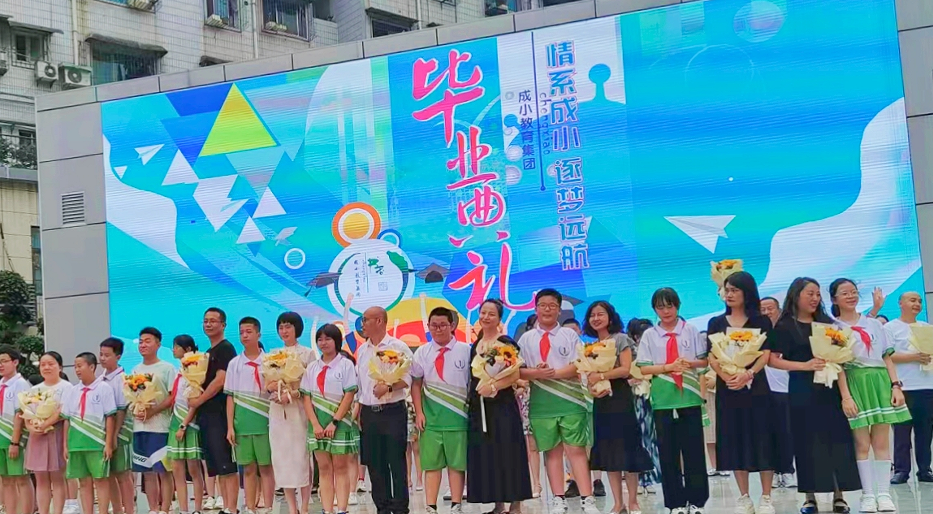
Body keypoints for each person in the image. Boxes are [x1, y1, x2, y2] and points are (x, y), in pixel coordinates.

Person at [768, 277, 860, 514]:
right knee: (806, 441)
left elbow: (839, 360)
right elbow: (773, 360)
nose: (815, 298)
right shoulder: (785, 325)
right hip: (802, 390)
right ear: (796, 295)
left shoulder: (827, 324)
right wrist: (804, 366)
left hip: (830, 389)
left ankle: (839, 495)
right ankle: (810, 497)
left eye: (818, 294)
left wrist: (846, 396)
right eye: (810, 293)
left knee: (837, 440)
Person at [830, 279, 910, 512]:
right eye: (845, 293)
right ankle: (867, 495)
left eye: (854, 292)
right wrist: (846, 396)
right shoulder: (833, 327)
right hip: (854, 382)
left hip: (880, 382)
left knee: (882, 442)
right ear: (834, 298)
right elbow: (838, 365)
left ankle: (884, 494)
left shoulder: (874, 324)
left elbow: (886, 357)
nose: (851, 296)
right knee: (862, 443)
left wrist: (895, 386)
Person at [517, 288, 599, 514]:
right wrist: (536, 373)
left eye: (552, 306)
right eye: (543, 305)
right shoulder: (526, 339)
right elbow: (518, 370)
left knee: (576, 450)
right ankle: (558, 498)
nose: (547, 310)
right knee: (551, 452)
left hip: (570, 400)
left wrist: (551, 373)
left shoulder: (569, 335)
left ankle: (587, 498)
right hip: (541, 404)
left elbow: (579, 364)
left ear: (559, 310)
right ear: (536, 308)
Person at [707, 272, 776, 514]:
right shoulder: (716, 322)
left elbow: (765, 354)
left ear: (747, 292)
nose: (729, 294)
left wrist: (748, 374)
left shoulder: (761, 321)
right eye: (727, 290)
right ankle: (744, 497)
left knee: (763, 437)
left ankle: (766, 497)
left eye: (735, 290)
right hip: (728, 389)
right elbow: (711, 356)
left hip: (756, 388)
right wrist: (726, 377)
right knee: (734, 438)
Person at [636, 288, 709, 514]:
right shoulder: (650, 335)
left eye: (670, 306)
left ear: (678, 306)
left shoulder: (690, 330)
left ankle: (697, 501)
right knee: (668, 453)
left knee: (694, 452)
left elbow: (704, 361)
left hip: (689, 397)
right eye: (660, 307)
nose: (666, 311)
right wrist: (668, 367)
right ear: (654, 310)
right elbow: (644, 367)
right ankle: (675, 502)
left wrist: (688, 364)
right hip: (663, 400)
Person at [583, 301, 653, 514]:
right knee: (609, 452)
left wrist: (601, 376)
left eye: (600, 314)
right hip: (602, 401)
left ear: (610, 317)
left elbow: (625, 369)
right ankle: (617, 503)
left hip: (621, 398)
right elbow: (588, 375)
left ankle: (633, 502)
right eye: (592, 315)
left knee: (628, 449)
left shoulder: (621, 339)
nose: (596, 318)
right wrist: (593, 387)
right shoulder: (591, 346)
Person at [467, 300, 532, 514]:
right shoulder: (476, 344)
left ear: (499, 318)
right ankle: (498, 504)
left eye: (491, 314)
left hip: (502, 406)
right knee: (489, 454)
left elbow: (515, 373)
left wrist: (494, 386)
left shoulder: (505, 342)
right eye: (483, 312)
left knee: (508, 451)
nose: (486, 317)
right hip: (481, 406)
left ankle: (515, 505)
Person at [410, 307, 471, 514]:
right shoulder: (422, 352)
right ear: (428, 326)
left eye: (443, 325)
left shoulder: (466, 350)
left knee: (457, 464)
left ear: (452, 325)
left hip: (458, 418)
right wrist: (419, 412)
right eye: (433, 325)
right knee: (432, 465)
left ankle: (456, 505)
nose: (438, 329)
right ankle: (431, 506)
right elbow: (416, 384)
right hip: (431, 419)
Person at [356, 306, 413, 514]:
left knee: (396, 462)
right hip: (369, 413)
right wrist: (359, 410)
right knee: (374, 463)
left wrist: (389, 387)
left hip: (393, 412)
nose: (362, 324)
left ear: (379, 321)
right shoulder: (362, 351)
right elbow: (361, 386)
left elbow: (408, 378)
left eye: (365, 320)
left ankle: (400, 508)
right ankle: (382, 507)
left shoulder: (397, 346)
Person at [302, 323, 359, 514]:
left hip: (339, 424)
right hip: (317, 425)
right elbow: (306, 397)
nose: (323, 343)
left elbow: (349, 394)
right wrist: (315, 424)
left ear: (337, 341)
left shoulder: (346, 365)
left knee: (340, 467)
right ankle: (327, 510)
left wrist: (335, 422)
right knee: (324, 468)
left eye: (328, 339)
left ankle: (341, 509)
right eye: (320, 339)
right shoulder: (312, 368)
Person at [225, 317, 275, 514]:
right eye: (241, 332)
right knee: (248, 468)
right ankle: (250, 507)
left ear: (258, 334)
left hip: (266, 422)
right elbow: (230, 397)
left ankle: (269, 506)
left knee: (266, 467)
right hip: (242, 424)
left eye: (249, 332)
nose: (244, 336)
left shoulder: (270, 361)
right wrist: (230, 426)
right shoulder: (234, 364)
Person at [190, 307, 238, 514]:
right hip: (206, 414)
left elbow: (220, 380)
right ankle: (225, 506)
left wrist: (199, 400)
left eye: (213, 321)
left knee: (226, 464)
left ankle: (232, 508)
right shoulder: (207, 353)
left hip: (220, 413)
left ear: (223, 325)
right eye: (205, 321)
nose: (208, 324)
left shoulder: (225, 349)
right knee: (217, 465)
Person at [270, 312, 316, 514]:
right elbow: (267, 383)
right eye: (281, 327)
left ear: (297, 328)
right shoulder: (273, 354)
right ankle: (291, 507)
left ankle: (304, 506)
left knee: (301, 457)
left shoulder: (307, 353)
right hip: (278, 412)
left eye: (288, 326)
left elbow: (311, 386)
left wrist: (292, 393)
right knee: (282, 458)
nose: (284, 331)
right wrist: (275, 388)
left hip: (299, 410)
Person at [129, 327, 176, 514]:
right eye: (141, 341)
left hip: (161, 428)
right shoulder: (135, 370)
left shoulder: (167, 368)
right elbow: (132, 396)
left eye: (147, 341)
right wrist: (137, 409)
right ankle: (153, 509)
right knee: (147, 472)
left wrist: (153, 411)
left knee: (163, 470)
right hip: (140, 427)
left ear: (158, 344)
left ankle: (165, 508)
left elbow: (172, 397)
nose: (143, 345)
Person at [62, 353, 116, 514]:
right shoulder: (72, 391)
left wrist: (108, 444)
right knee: (84, 482)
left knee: (100, 480)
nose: (77, 370)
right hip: (76, 444)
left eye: (80, 366)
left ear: (92, 367)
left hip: (97, 443)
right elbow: (67, 419)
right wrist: (65, 445)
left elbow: (110, 417)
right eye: (75, 366)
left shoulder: (104, 388)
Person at [888, 292, 933, 484]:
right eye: (912, 300)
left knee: (925, 431)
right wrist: (914, 357)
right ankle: (901, 470)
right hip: (902, 387)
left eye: (920, 301)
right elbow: (887, 356)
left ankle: (924, 470)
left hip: (926, 385)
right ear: (900, 303)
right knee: (901, 432)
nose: (917, 304)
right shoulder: (890, 328)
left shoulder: (926, 328)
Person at [25, 352, 72, 514]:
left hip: (57, 434)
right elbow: (26, 412)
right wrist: (31, 427)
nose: (46, 367)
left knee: (57, 478)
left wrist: (46, 423)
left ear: (60, 367)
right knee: (41, 478)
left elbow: (63, 412)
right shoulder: (34, 389)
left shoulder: (66, 387)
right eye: (43, 364)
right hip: (37, 436)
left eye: (51, 364)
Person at [760, 296, 796, 488]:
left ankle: (788, 470)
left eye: (770, 308)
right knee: (767, 433)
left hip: (786, 389)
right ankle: (772, 471)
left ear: (779, 310)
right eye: (762, 309)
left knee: (786, 432)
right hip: (763, 390)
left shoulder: (787, 331)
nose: (766, 312)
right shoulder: (756, 335)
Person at [168, 335, 206, 514]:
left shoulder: (196, 369)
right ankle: (183, 509)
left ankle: (197, 509)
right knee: (177, 468)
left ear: (188, 349)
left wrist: (184, 425)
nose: (173, 350)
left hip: (190, 423)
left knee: (193, 468)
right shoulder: (179, 370)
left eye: (177, 346)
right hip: (175, 420)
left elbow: (194, 401)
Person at [99, 338, 136, 514]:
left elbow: (121, 410)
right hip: (104, 432)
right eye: (101, 354)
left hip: (121, 433)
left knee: (123, 474)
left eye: (107, 355)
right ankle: (116, 510)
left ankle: (129, 509)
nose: (102, 358)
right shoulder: (101, 378)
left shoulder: (122, 379)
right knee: (110, 474)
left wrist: (114, 436)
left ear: (118, 356)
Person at [626, 318, 661, 494]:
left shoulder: (658, 353)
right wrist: (631, 381)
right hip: (635, 401)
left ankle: (651, 477)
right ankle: (639, 478)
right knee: (637, 438)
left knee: (651, 439)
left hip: (655, 399)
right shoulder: (629, 354)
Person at [0, 346, 34, 514]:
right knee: (6, 480)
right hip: (0, 439)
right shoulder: (1, 384)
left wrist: (14, 442)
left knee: (21, 478)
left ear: (15, 362)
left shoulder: (21, 384)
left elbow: (20, 414)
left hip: (14, 439)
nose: (1, 365)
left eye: (4, 361)